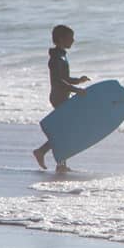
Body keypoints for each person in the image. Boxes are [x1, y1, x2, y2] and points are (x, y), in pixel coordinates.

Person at [32, 24, 91, 172]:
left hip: (62, 95)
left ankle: (53, 159)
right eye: (70, 38)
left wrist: (78, 80)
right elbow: (58, 81)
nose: (73, 40)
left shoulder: (61, 55)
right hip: (58, 97)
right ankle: (52, 159)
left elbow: (64, 78)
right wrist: (76, 90)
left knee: (65, 130)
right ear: (61, 39)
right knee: (66, 130)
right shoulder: (56, 58)